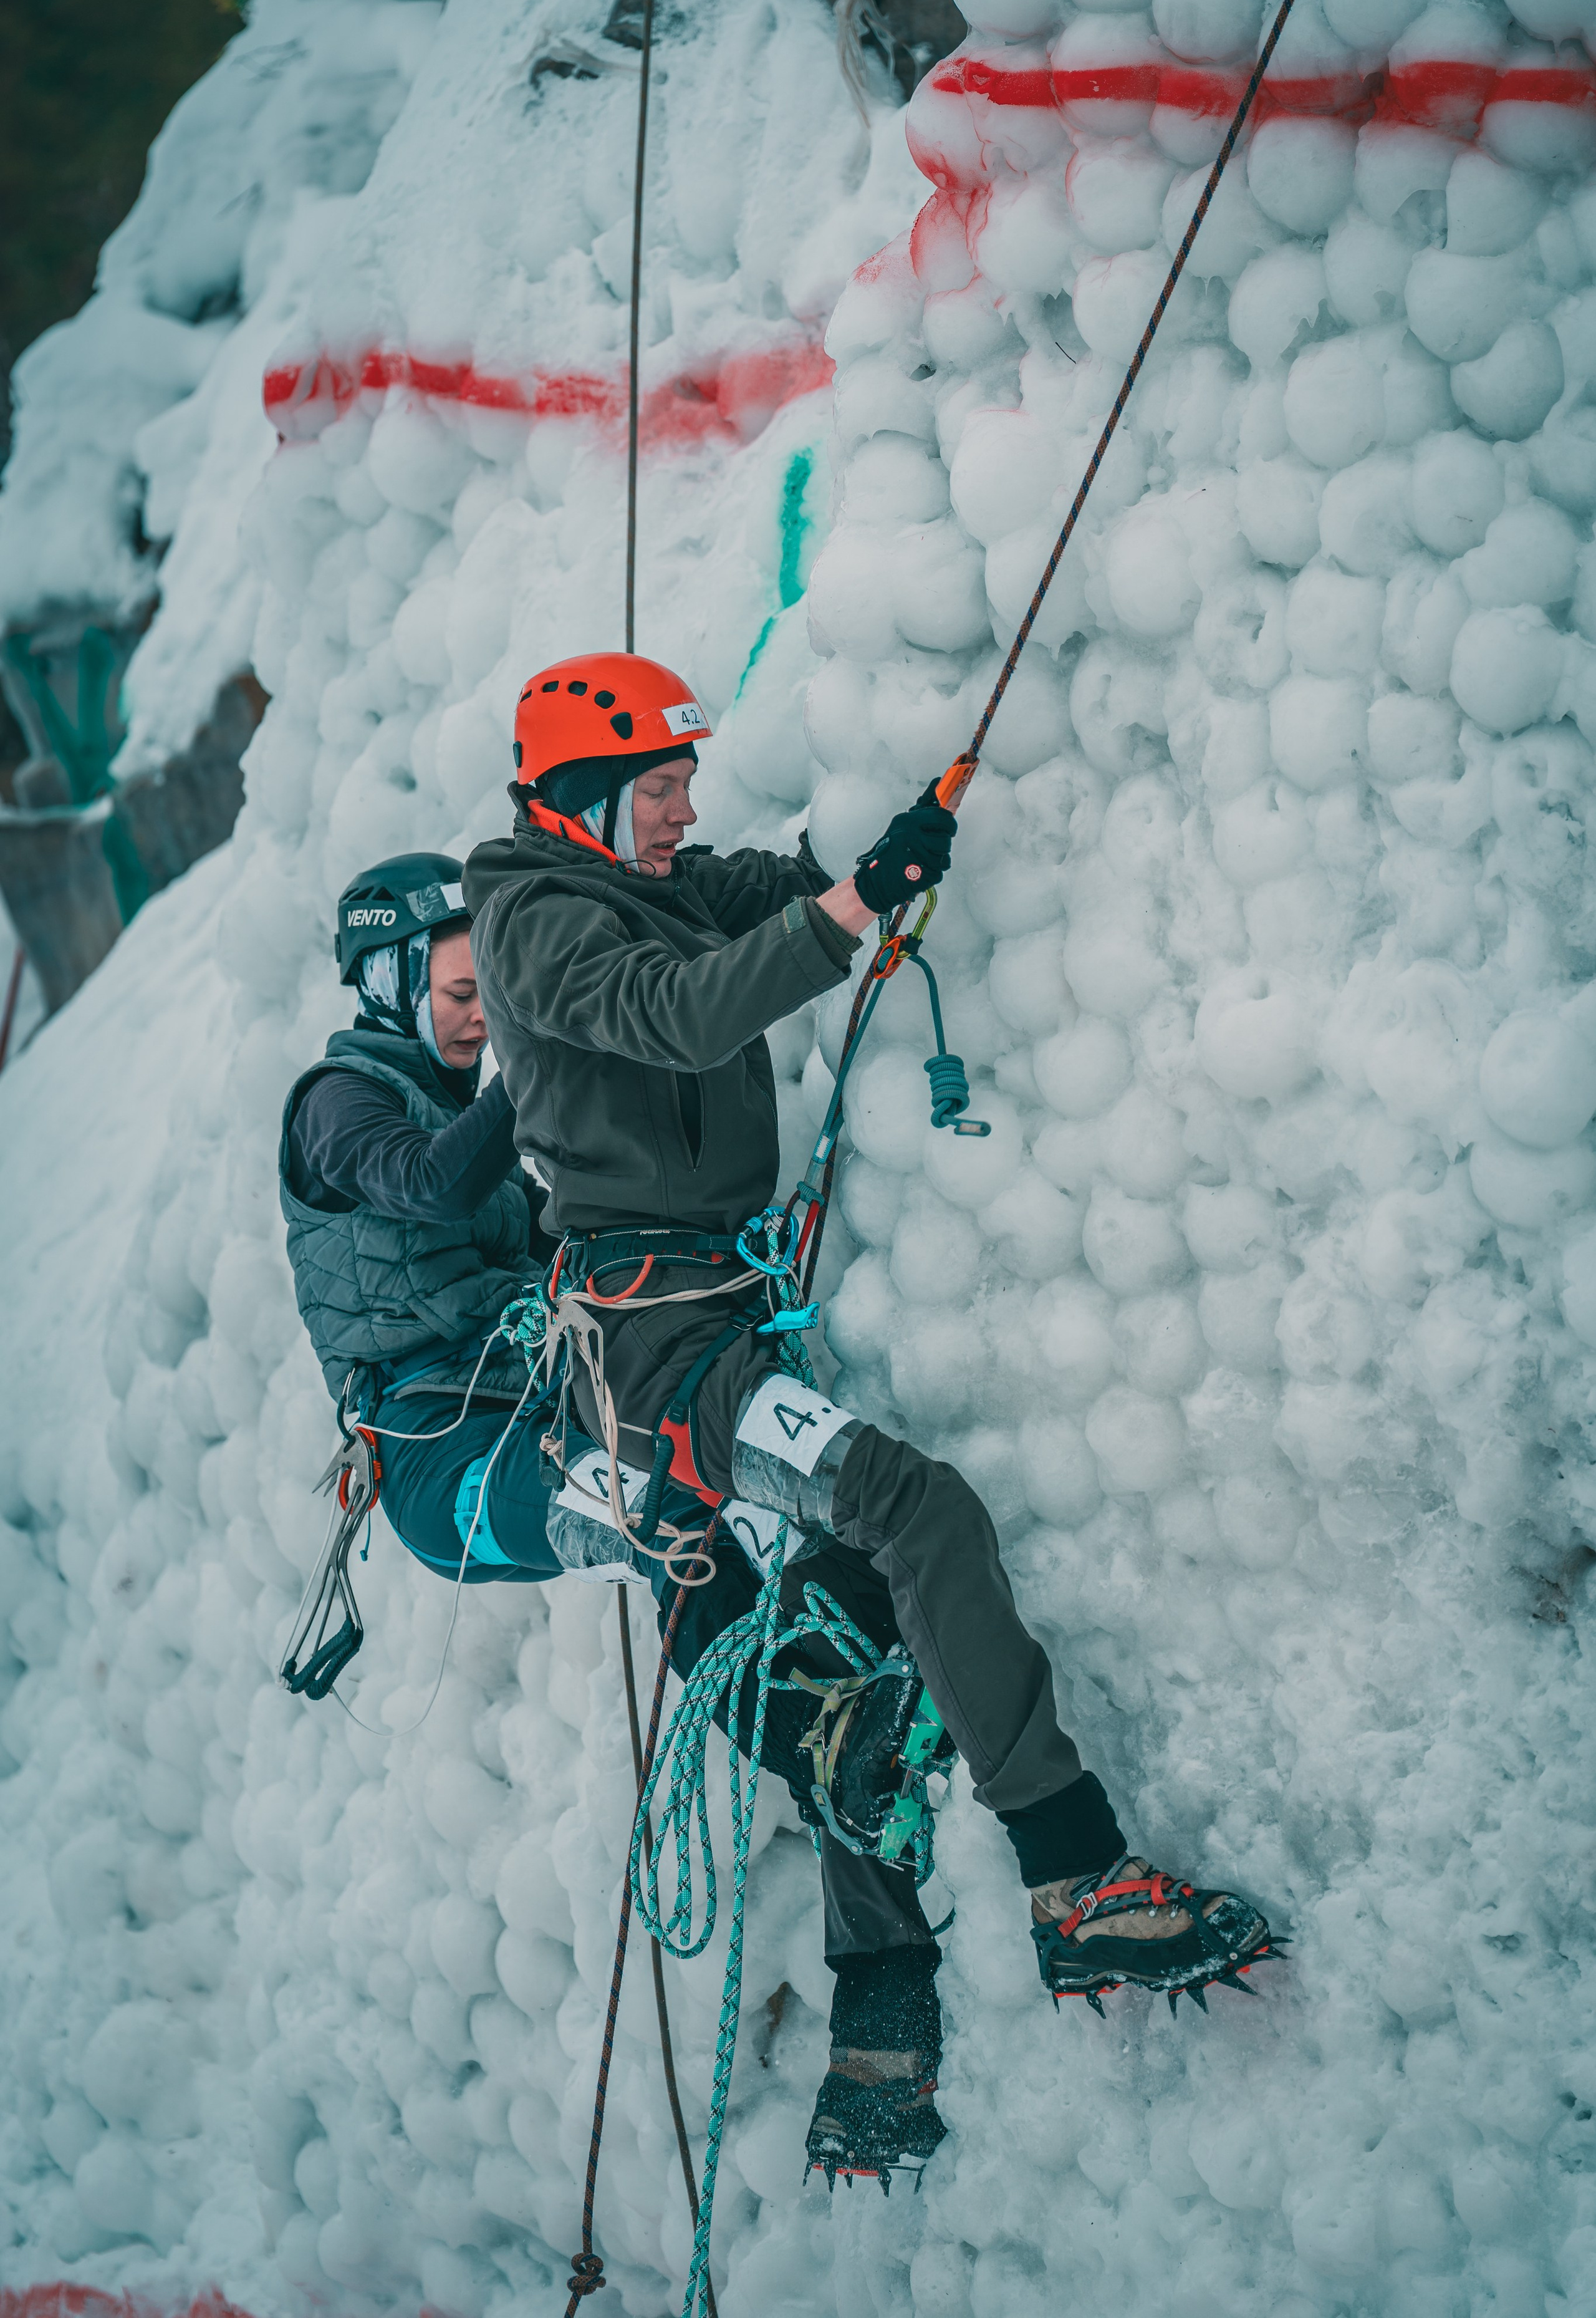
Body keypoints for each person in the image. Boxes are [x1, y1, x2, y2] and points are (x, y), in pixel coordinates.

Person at [462, 654, 1281, 2185]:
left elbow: (743, 900)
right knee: (916, 1512)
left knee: (846, 1640)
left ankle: (880, 2037)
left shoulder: (634, 884)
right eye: (655, 787)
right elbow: (682, 1005)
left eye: (682, 785)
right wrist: (836, 919)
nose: (680, 809)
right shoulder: (536, 920)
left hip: (706, 1322)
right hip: (659, 1366)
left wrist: (872, 863)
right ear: (579, 799)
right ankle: (1075, 1874)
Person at [277, 853, 569, 1588]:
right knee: (633, 1507)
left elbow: (563, 1242)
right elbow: (431, 1185)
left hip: (534, 1398)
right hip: (438, 1455)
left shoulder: (466, 1130)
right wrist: (539, 1056)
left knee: (701, 1522)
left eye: (491, 995)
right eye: (462, 993)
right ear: (392, 987)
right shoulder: (335, 1104)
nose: (484, 1018)